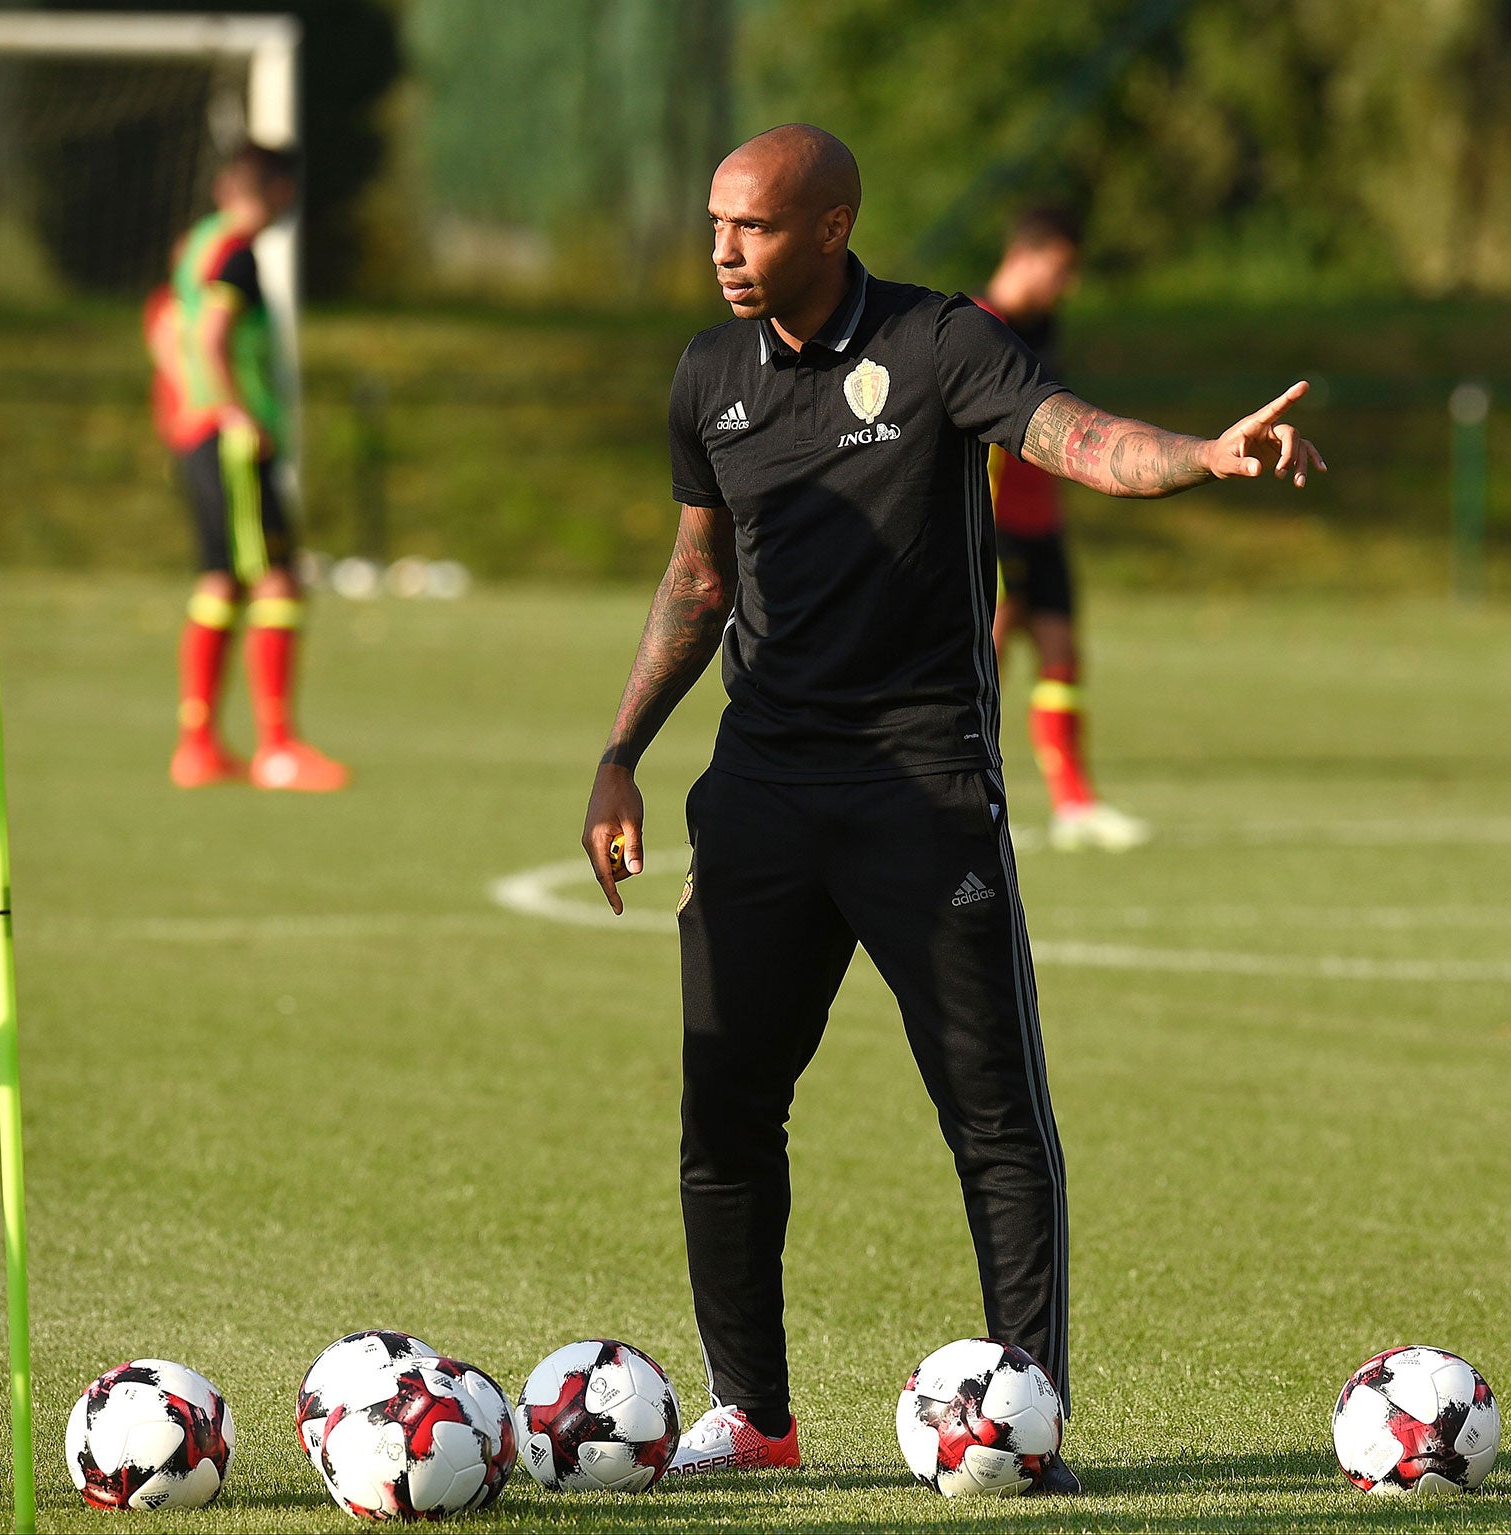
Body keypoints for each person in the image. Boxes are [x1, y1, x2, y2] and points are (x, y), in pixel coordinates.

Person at [579, 124, 1322, 1491]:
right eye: (713, 225)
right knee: (725, 1107)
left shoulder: (941, 345)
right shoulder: (705, 376)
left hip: (922, 789)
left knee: (989, 1112)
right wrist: (624, 746)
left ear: (832, 227)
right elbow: (699, 575)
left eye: (752, 226)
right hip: (760, 788)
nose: (724, 250)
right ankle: (754, 1415)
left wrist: (1205, 456)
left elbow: (1077, 438)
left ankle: (1025, 1413)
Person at [145, 143, 347, 792]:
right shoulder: (237, 253)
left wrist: (185, 398)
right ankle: (276, 747)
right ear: (279, 190)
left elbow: (165, 327)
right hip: (228, 437)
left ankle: (197, 745)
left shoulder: (197, 242)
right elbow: (209, 336)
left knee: (222, 581)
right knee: (277, 581)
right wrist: (235, 410)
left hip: (196, 429)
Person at [976, 207, 1149, 851]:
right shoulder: (978, 326)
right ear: (1028, 254)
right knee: (981, 657)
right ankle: (961, 793)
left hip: (1041, 521)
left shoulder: (1042, 326)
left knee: (1060, 655)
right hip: (993, 528)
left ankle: (1074, 803)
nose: (1066, 284)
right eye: (1061, 268)